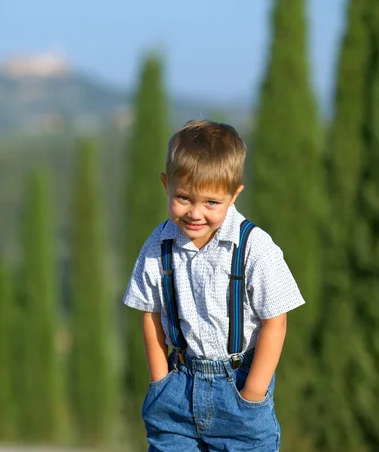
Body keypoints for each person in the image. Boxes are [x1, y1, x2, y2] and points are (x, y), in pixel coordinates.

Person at [123, 120, 305, 451]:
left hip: (238, 390)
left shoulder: (253, 247)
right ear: (165, 184)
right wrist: (160, 381)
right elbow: (150, 316)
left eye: (211, 202)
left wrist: (253, 393)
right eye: (183, 197)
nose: (195, 212)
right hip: (176, 391)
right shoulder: (158, 245)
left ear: (234, 195)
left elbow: (275, 321)